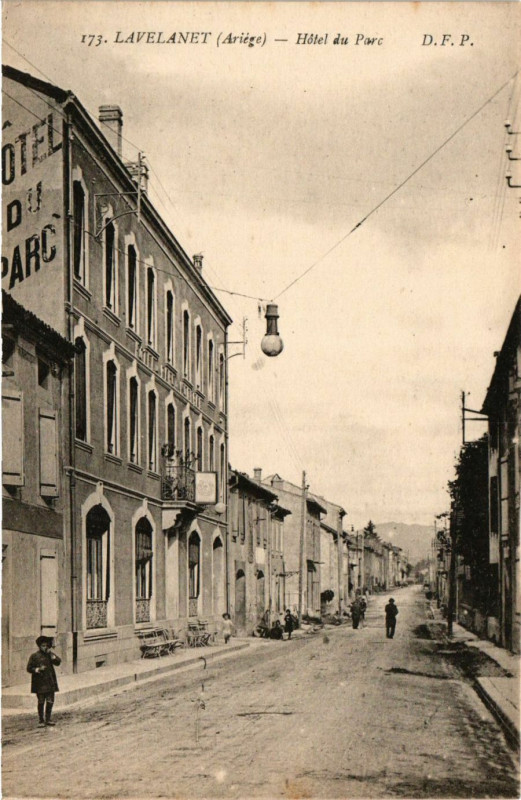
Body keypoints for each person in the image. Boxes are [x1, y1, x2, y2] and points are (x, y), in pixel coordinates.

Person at [27, 636, 61, 727]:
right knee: (41, 701)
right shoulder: (34, 656)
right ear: (39, 646)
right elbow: (29, 668)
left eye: (46, 645)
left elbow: (58, 662)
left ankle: (48, 719)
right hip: (40, 683)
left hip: (50, 682)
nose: (44, 647)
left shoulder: (50, 655)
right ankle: (41, 720)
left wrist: (52, 655)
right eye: (42, 645)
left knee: (50, 701)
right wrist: (37, 669)